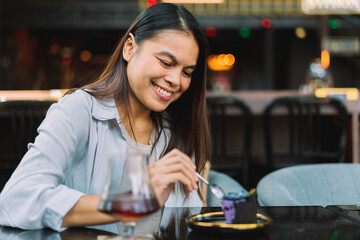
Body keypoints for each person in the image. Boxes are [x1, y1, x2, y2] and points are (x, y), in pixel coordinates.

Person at [0, 3, 211, 234]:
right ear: (130, 48)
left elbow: (191, 225)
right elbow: (15, 199)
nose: (176, 80)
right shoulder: (78, 110)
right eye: (166, 62)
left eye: (187, 72)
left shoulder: (179, 132)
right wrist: (124, 202)